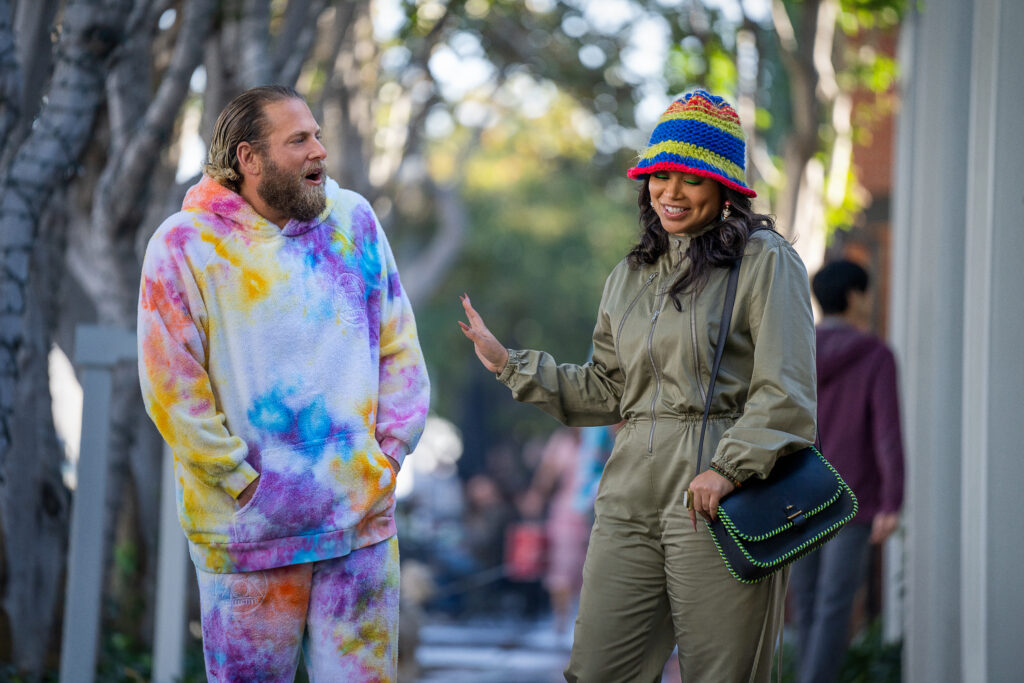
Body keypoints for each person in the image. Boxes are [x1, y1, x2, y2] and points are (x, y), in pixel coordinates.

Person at [459, 89, 817, 682]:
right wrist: (509, 364)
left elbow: (787, 391)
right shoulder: (629, 275)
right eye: (659, 176)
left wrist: (729, 468)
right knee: (598, 672)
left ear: (725, 186)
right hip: (627, 493)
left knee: (721, 675)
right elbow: (606, 390)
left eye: (691, 179)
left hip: (718, 498)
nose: (670, 193)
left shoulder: (764, 261)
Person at [137, 85, 430, 681]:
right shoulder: (183, 246)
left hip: (360, 527)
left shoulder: (355, 221)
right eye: (299, 140)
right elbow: (172, 391)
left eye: (317, 135)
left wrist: (387, 459)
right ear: (249, 158)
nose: (318, 150)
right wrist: (241, 483)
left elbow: (400, 348)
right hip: (247, 536)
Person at [789, 259, 905, 683]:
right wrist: (893, 500)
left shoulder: (796, 354)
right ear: (855, 296)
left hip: (798, 498)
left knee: (806, 601)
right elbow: (887, 433)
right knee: (836, 604)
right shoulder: (876, 355)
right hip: (851, 499)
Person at [519, 427, 591, 634]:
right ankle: (562, 623)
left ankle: (586, 623)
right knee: (562, 568)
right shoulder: (561, 440)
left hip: (597, 509)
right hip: (567, 511)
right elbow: (546, 475)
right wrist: (536, 496)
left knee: (592, 567)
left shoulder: (600, 437)